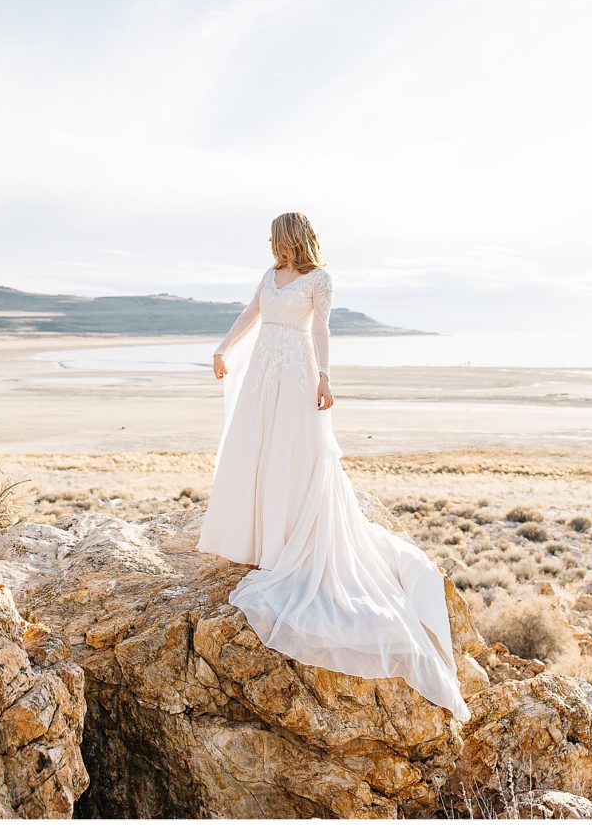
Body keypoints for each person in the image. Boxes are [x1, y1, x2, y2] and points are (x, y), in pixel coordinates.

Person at [196, 211, 471, 724]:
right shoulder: (269, 277)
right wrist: (222, 347)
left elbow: (321, 329)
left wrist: (324, 376)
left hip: (297, 372)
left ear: (291, 238)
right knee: (256, 451)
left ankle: (285, 541)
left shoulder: (319, 280)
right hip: (262, 374)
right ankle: (256, 538)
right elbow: (249, 316)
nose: (270, 244)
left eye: (276, 237)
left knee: (292, 457)